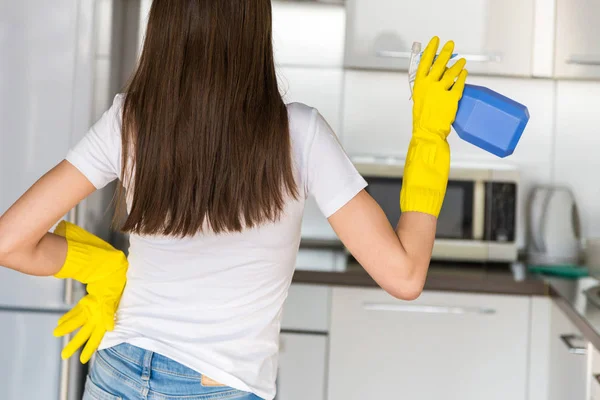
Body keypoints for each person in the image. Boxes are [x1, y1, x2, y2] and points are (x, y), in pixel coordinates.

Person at [0, 0, 467, 399]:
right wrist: (429, 138)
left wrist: (103, 268)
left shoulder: (129, 123)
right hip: (219, 384)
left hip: (116, 372)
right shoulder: (299, 135)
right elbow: (404, 275)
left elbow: (10, 242)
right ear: (255, 27)